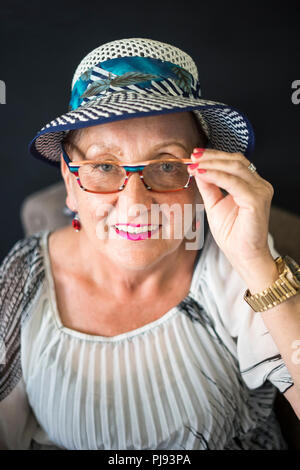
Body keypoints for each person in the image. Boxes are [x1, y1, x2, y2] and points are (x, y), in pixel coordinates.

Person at [0, 37, 299, 451]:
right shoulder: (23, 277)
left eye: (166, 166)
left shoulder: (232, 263)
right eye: (104, 166)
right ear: (71, 184)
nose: (135, 205)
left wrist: (256, 262)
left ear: (201, 177)